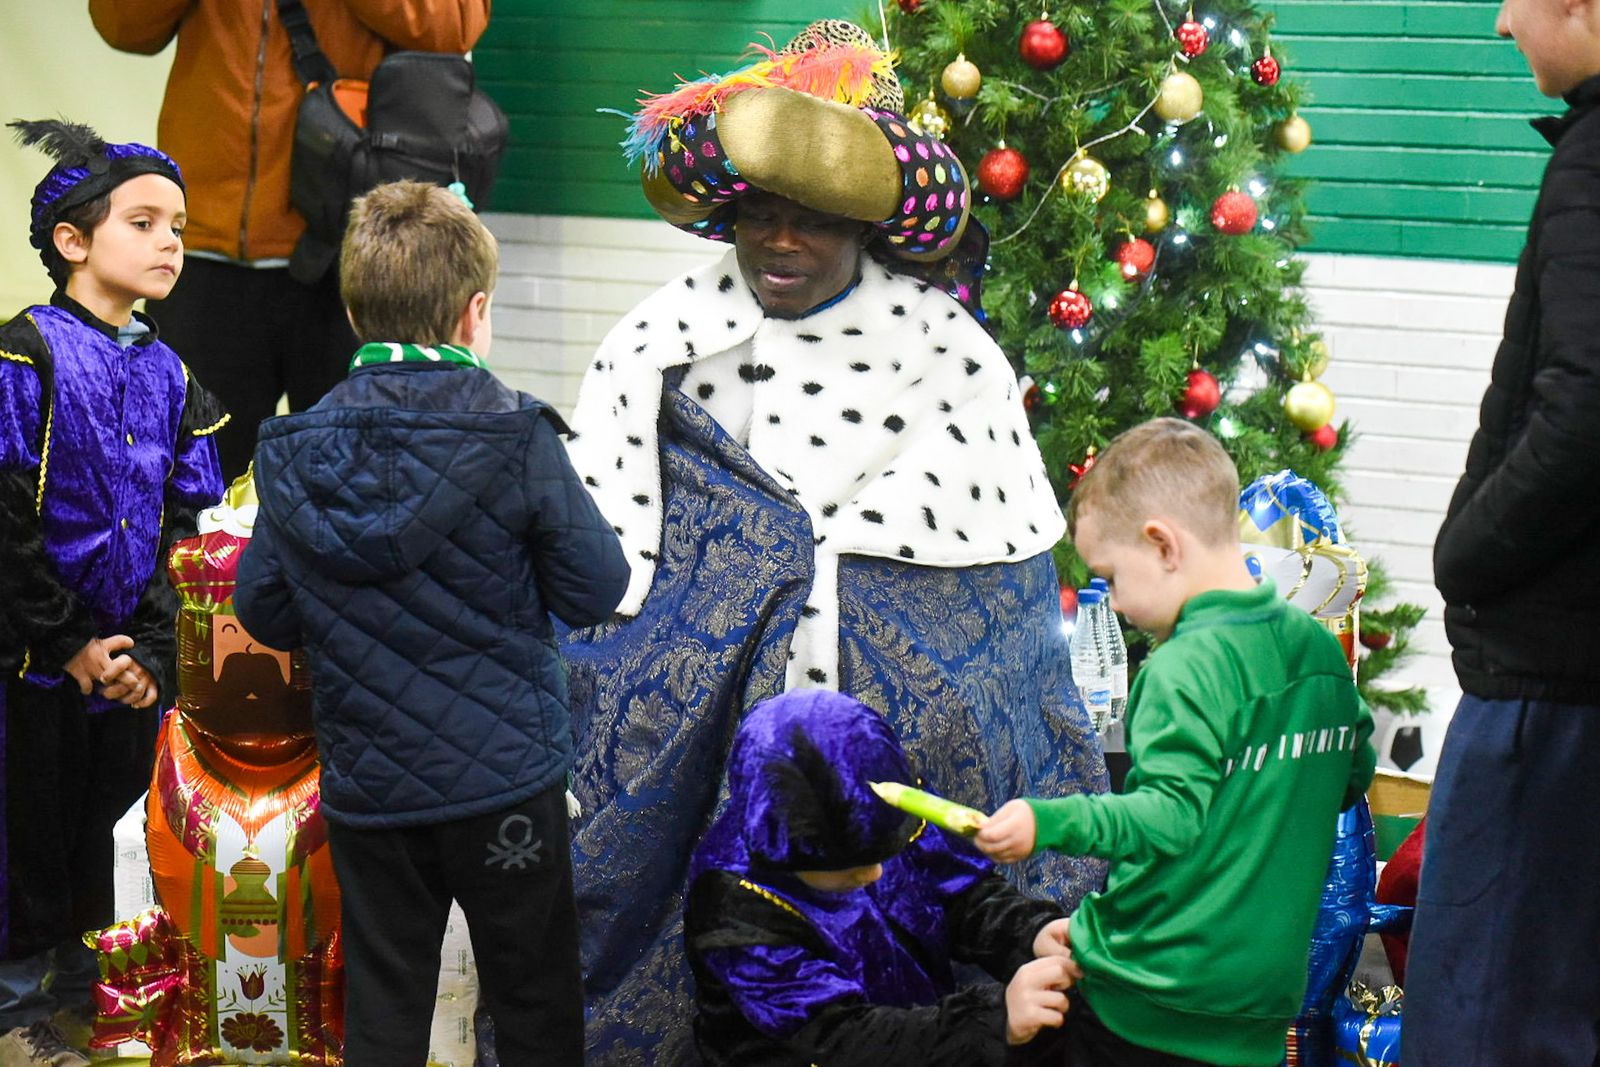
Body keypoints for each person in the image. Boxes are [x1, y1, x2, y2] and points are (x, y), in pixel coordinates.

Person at [558, 19, 1107, 1060]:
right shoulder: (657, 345)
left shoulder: (947, 354)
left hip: (884, 758)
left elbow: (1000, 606)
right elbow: (611, 551)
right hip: (713, 748)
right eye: (760, 215)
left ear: (863, 227)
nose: (780, 243)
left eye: (810, 222)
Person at [232, 180, 629, 1066]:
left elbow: (261, 608)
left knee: (384, 1004)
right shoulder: (515, 434)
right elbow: (596, 588)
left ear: (352, 310)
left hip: (371, 785)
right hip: (507, 785)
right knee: (534, 1002)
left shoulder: (295, 447)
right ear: (475, 311)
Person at [976, 418, 1375, 1067]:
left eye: (1112, 575)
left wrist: (1045, 820)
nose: (1115, 602)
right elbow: (1352, 775)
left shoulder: (1181, 667)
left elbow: (1167, 817)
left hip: (1145, 997)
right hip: (1259, 1009)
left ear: (1162, 544)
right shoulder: (1316, 652)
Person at [0, 119, 225, 1067]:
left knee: (109, 832)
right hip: (30, 661)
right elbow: (4, 521)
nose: (170, 242)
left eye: (178, 226)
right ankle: (14, 1011)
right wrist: (68, 643)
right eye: (144, 223)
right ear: (73, 240)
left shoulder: (173, 375)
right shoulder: (24, 358)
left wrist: (153, 654)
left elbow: (190, 530)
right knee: (26, 830)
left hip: (128, 667)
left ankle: (93, 999)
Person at [1407, 1, 1600, 1061]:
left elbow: (1584, 412)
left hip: (1546, 681)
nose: (1498, 22)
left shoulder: (1592, 163)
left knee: (1485, 1019)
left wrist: (1464, 554)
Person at [90, 0, 492, 481]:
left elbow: (456, 24)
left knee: (357, 485)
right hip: (205, 251)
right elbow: (122, 23)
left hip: (351, 255)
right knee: (192, 491)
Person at [685, 689, 1079, 1065]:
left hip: (922, 1024)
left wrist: (1029, 933)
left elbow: (960, 893)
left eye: (883, 857)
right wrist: (992, 1020)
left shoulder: (888, 808)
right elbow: (840, 1041)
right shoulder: (735, 904)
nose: (876, 874)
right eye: (850, 868)